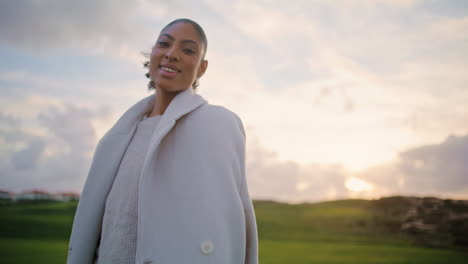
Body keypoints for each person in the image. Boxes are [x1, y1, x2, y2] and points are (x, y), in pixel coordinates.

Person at [67, 18, 258, 264]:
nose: (171, 54)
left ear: (202, 68)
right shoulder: (114, 139)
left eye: (187, 50)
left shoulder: (219, 125)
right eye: (164, 44)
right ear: (153, 54)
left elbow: (233, 220)